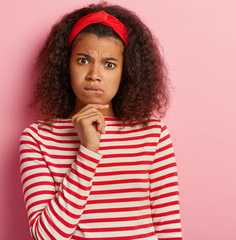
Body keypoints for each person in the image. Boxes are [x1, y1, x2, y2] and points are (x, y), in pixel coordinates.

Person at [19, 2, 182, 240]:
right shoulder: (37, 139)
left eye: (109, 64)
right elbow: (46, 236)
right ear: (66, 66)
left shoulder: (154, 135)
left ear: (125, 72)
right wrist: (88, 150)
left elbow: (169, 229)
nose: (94, 74)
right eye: (83, 60)